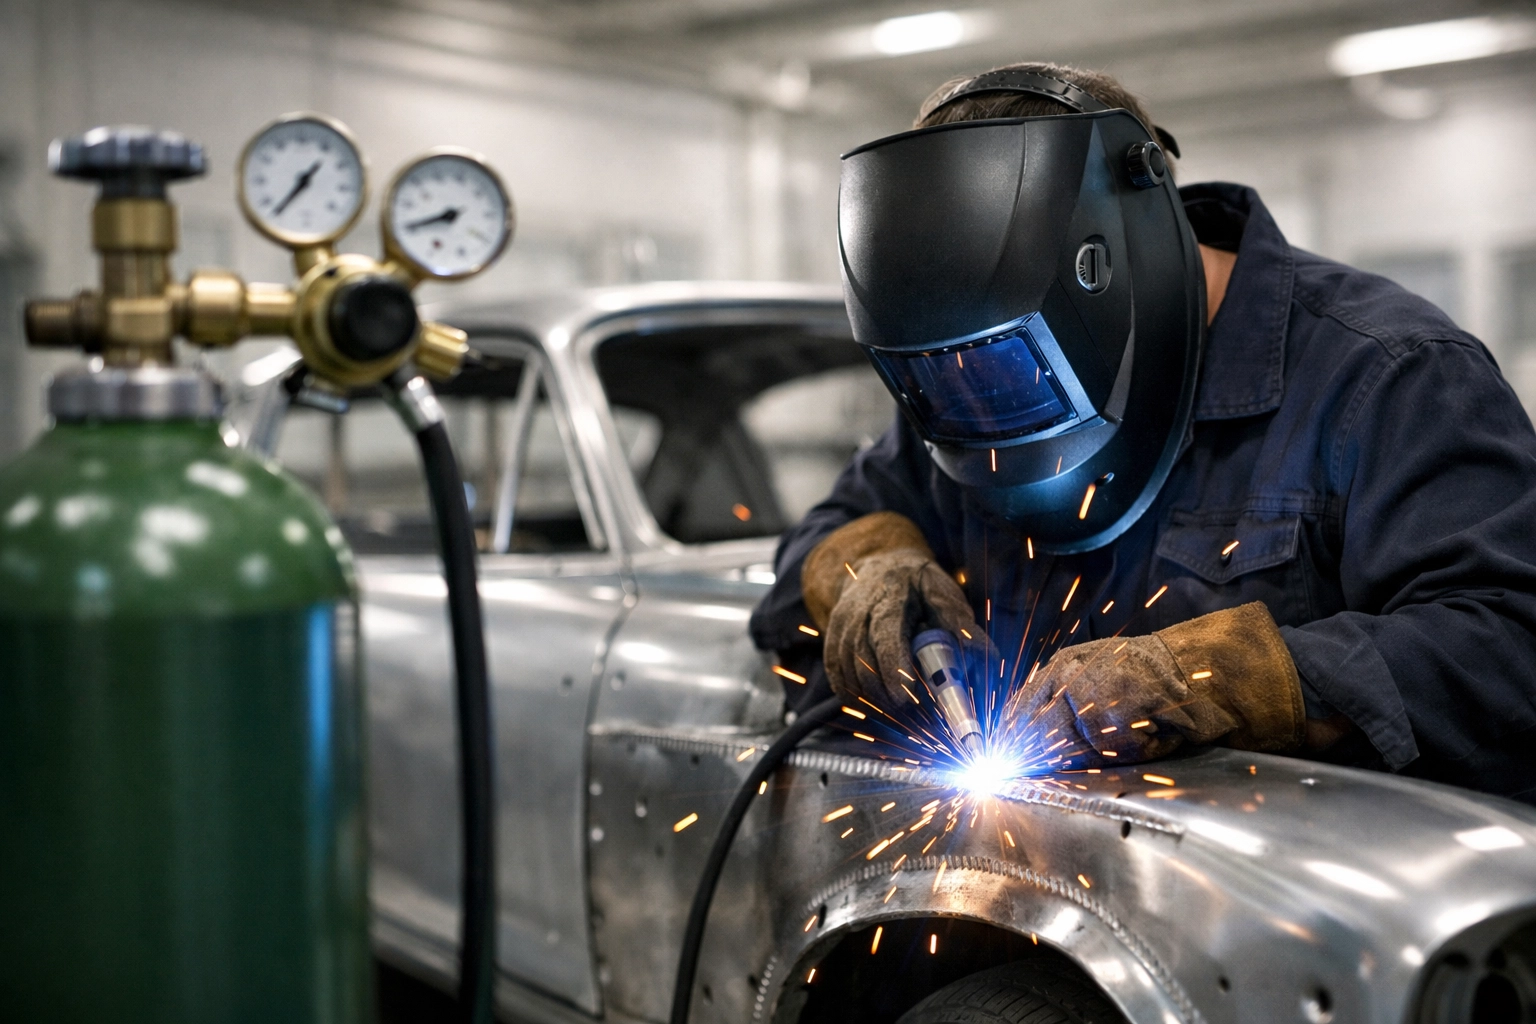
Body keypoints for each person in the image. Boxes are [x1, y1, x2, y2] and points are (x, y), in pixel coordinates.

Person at [749, 62, 1536, 804]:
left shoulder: (1387, 374)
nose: (987, 406)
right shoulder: (965, 383)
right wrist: (864, 568)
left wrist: (1227, 678)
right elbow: (810, 552)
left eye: (1018, 367)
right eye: (943, 378)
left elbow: (1506, 646)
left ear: (1119, 265)